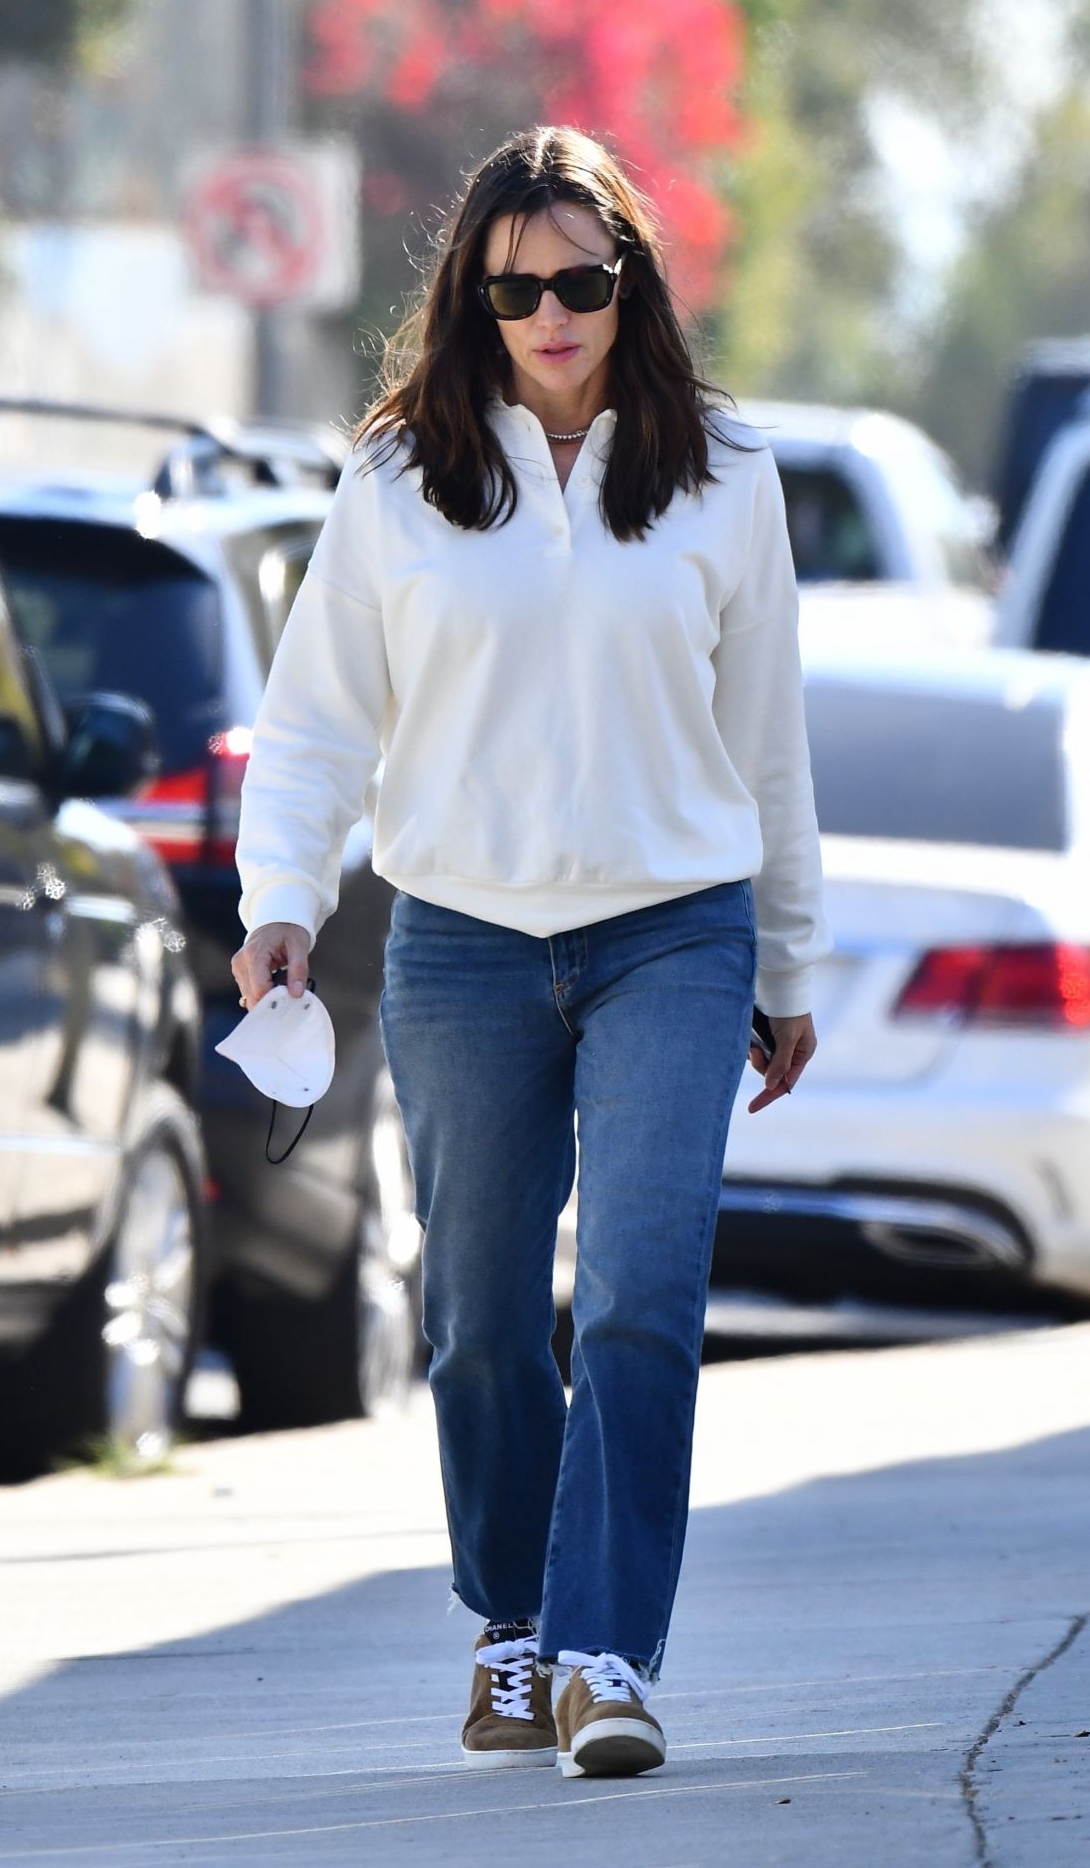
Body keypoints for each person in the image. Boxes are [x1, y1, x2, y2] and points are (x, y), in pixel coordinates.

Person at [231, 124, 831, 1781]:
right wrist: (278, 897)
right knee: (482, 1318)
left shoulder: (725, 479)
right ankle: (510, 1622)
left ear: (629, 282)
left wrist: (788, 960)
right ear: (474, 298)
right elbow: (311, 727)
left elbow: (767, 746)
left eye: (581, 279)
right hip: (464, 942)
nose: (551, 312)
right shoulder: (397, 484)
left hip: (673, 935)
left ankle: (603, 1653)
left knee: (643, 1293)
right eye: (516, 287)